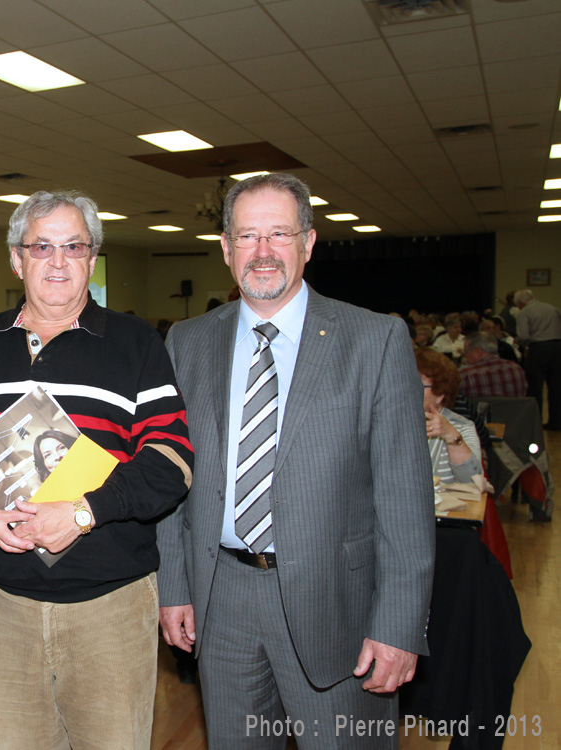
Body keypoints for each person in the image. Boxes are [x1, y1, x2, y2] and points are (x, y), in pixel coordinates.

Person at [158, 173, 434, 749]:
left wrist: (399, 626)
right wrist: (174, 585)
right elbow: (172, 475)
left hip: (339, 606)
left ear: (308, 243)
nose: (262, 252)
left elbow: (405, 501)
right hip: (221, 598)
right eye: (248, 236)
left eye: (279, 234)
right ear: (227, 249)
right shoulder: (188, 341)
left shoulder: (374, 339)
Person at [0, 189, 194, 750]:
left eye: (73, 247)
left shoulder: (135, 344)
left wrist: (82, 512)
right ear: (15, 258)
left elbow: (171, 464)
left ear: (92, 258)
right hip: (4, 609)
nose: (57, 261)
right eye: (41, 246)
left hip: (110, 610)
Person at [416, 348, 483, 483]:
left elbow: (472, 481)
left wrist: (450, 435)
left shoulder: (461, 426)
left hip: (444, 503)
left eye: (418, 386)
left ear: (439, 394)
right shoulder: (388, 422)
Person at [513, 289, 561, 428]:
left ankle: (535, 421)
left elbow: (524, 336)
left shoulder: (525, 312)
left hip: (538, 349)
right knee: (556, 386)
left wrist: (519, 342)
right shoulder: (552, 308)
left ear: (521, 303)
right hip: (558, 348)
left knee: (534, 387)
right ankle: (556, 422)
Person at [459, 331, 528, 399]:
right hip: (514, 409)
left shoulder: (465, 375)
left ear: (478, 351)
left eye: (466, 352)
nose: (465, 356)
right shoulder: (517, 369)